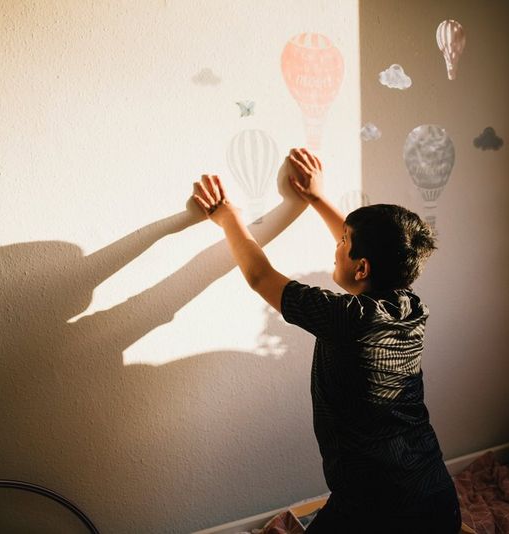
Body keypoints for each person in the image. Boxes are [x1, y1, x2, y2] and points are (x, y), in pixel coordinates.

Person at [192, 148, 461, 533]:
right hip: (437, 498)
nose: (336, 244)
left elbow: (259, 276)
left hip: (377, 508)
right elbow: (370, 254)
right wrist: (317, 198)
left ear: (362, 266)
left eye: (344, 241)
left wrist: (227, 217)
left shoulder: (344, 317)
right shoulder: (412, 306)